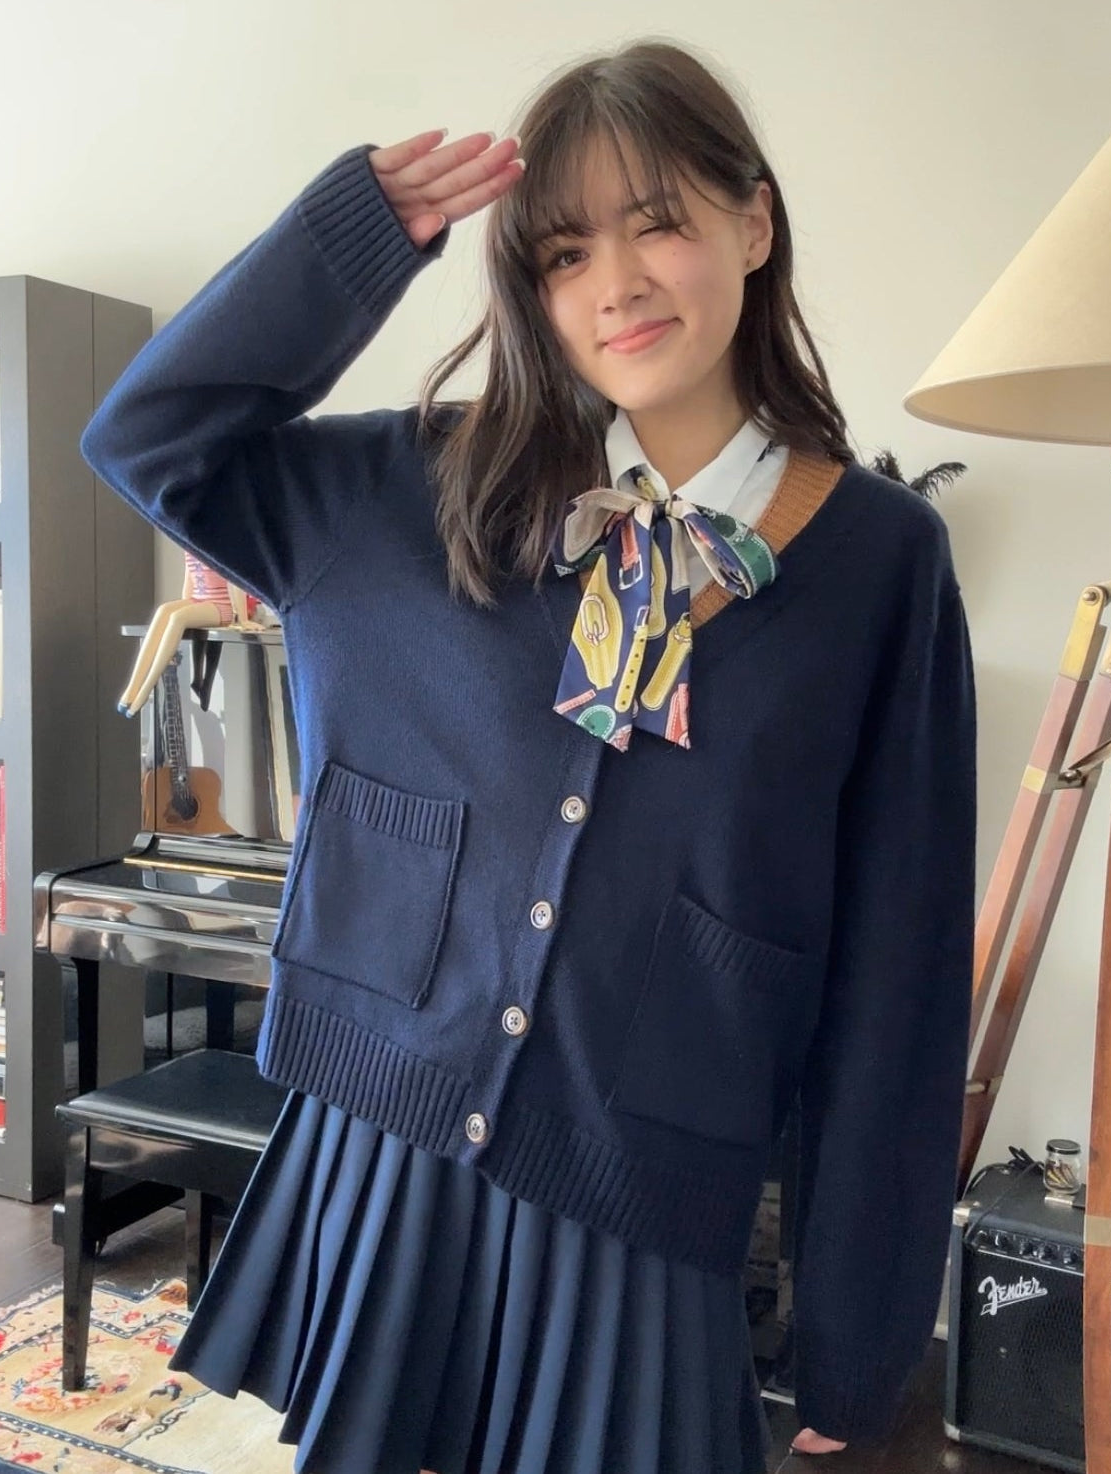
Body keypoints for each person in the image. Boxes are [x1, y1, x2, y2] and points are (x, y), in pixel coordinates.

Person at [80, 37, 976, 1474]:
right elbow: (151, 438)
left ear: (754, 222)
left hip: (644, 1177)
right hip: (392, 1135)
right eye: (563, 251)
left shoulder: (879, 562)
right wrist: (350, 242)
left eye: (660, 220)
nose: (614, 281)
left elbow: (902, 961)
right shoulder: (423, 484)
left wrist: (861, 1333)